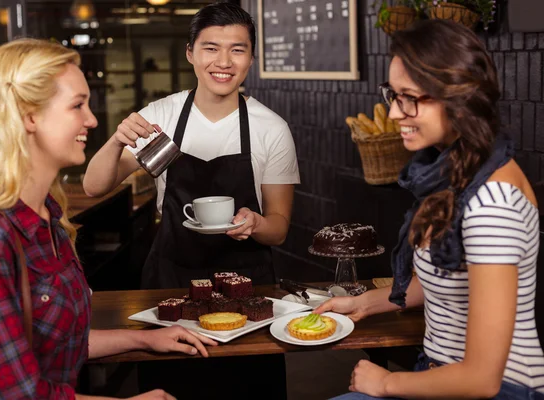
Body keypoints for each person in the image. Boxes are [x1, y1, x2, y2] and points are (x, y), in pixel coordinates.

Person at [0, 38, 217, 400]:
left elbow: (59, 342)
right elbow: (19, 395)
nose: (91, 119)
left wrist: (146, 338)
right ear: (29, 116)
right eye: (77, 105)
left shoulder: (48, 218)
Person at [315, 20, 544, 400]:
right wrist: (364, 304)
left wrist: (386, 382)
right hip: (439, 372)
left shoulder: (492, 202)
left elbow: (481, 380)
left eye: (410, 97)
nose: (394, 114)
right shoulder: (458, 171)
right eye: (393, 94)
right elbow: (451, 280)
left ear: (458, 96)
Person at [82, 2, 300, 290]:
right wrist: (115, 141)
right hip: (170, 277)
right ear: (190, 53)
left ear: (251, 58)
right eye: (210, 48)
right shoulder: (162, 116)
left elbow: (279, 229)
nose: (224, 62)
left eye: (237, 49)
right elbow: (93, 187)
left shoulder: (271, 128)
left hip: (248, 282)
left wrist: (256, 224)